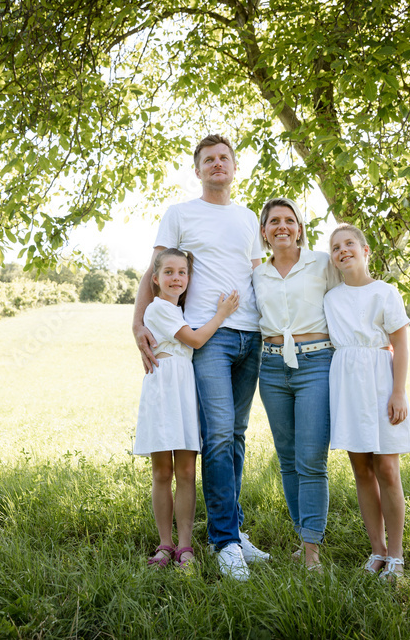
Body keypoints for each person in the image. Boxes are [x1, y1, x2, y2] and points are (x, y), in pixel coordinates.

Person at [132, 134, 270, 581]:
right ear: (197, 169)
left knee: (237, 436)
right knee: (217, 436)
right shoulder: (180, 214)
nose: (216, 165)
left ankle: (232, 529)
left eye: (223, 158)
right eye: (208, 159)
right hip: (210, 337)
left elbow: (258, 276)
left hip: (252, 335)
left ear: (234, 166)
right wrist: (138, 325)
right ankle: (224, 541)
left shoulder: (249, 218)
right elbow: (153, 271)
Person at [133, 247, 240, 571]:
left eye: (182, 272)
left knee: (187, 472)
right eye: (169, 272)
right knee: (163, 471)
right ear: (155, 279)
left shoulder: (178, 311)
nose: (176, 278)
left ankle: (184, 545)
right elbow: (194, 341)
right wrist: (221, 314)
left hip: (184, 392)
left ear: (189, 278)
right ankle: (165, 543)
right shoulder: (158, 309)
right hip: (164, 389)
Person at [322, 223, 410, 580]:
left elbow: (401, 344)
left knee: (387, 469)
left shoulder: (385, 292)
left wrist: (398, 391)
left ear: (365, 251)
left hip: (379, 380)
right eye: (335, 247)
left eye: (349, 244)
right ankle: (376, 549)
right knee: (361, 468)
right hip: (345, 383)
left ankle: (396, 554)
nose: (343, 250)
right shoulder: (331, 298)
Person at [252, 198, 339, 571]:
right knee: (287, 460)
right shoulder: (257, 273)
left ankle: (312, 552)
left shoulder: (321, 262)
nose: (282, 226)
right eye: (274, 221)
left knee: (311, 460)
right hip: (271, 367)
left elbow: (349, 297)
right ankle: (301, 534)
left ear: (300, 228)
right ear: (264, 232)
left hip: (316, 362)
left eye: (290, 220)